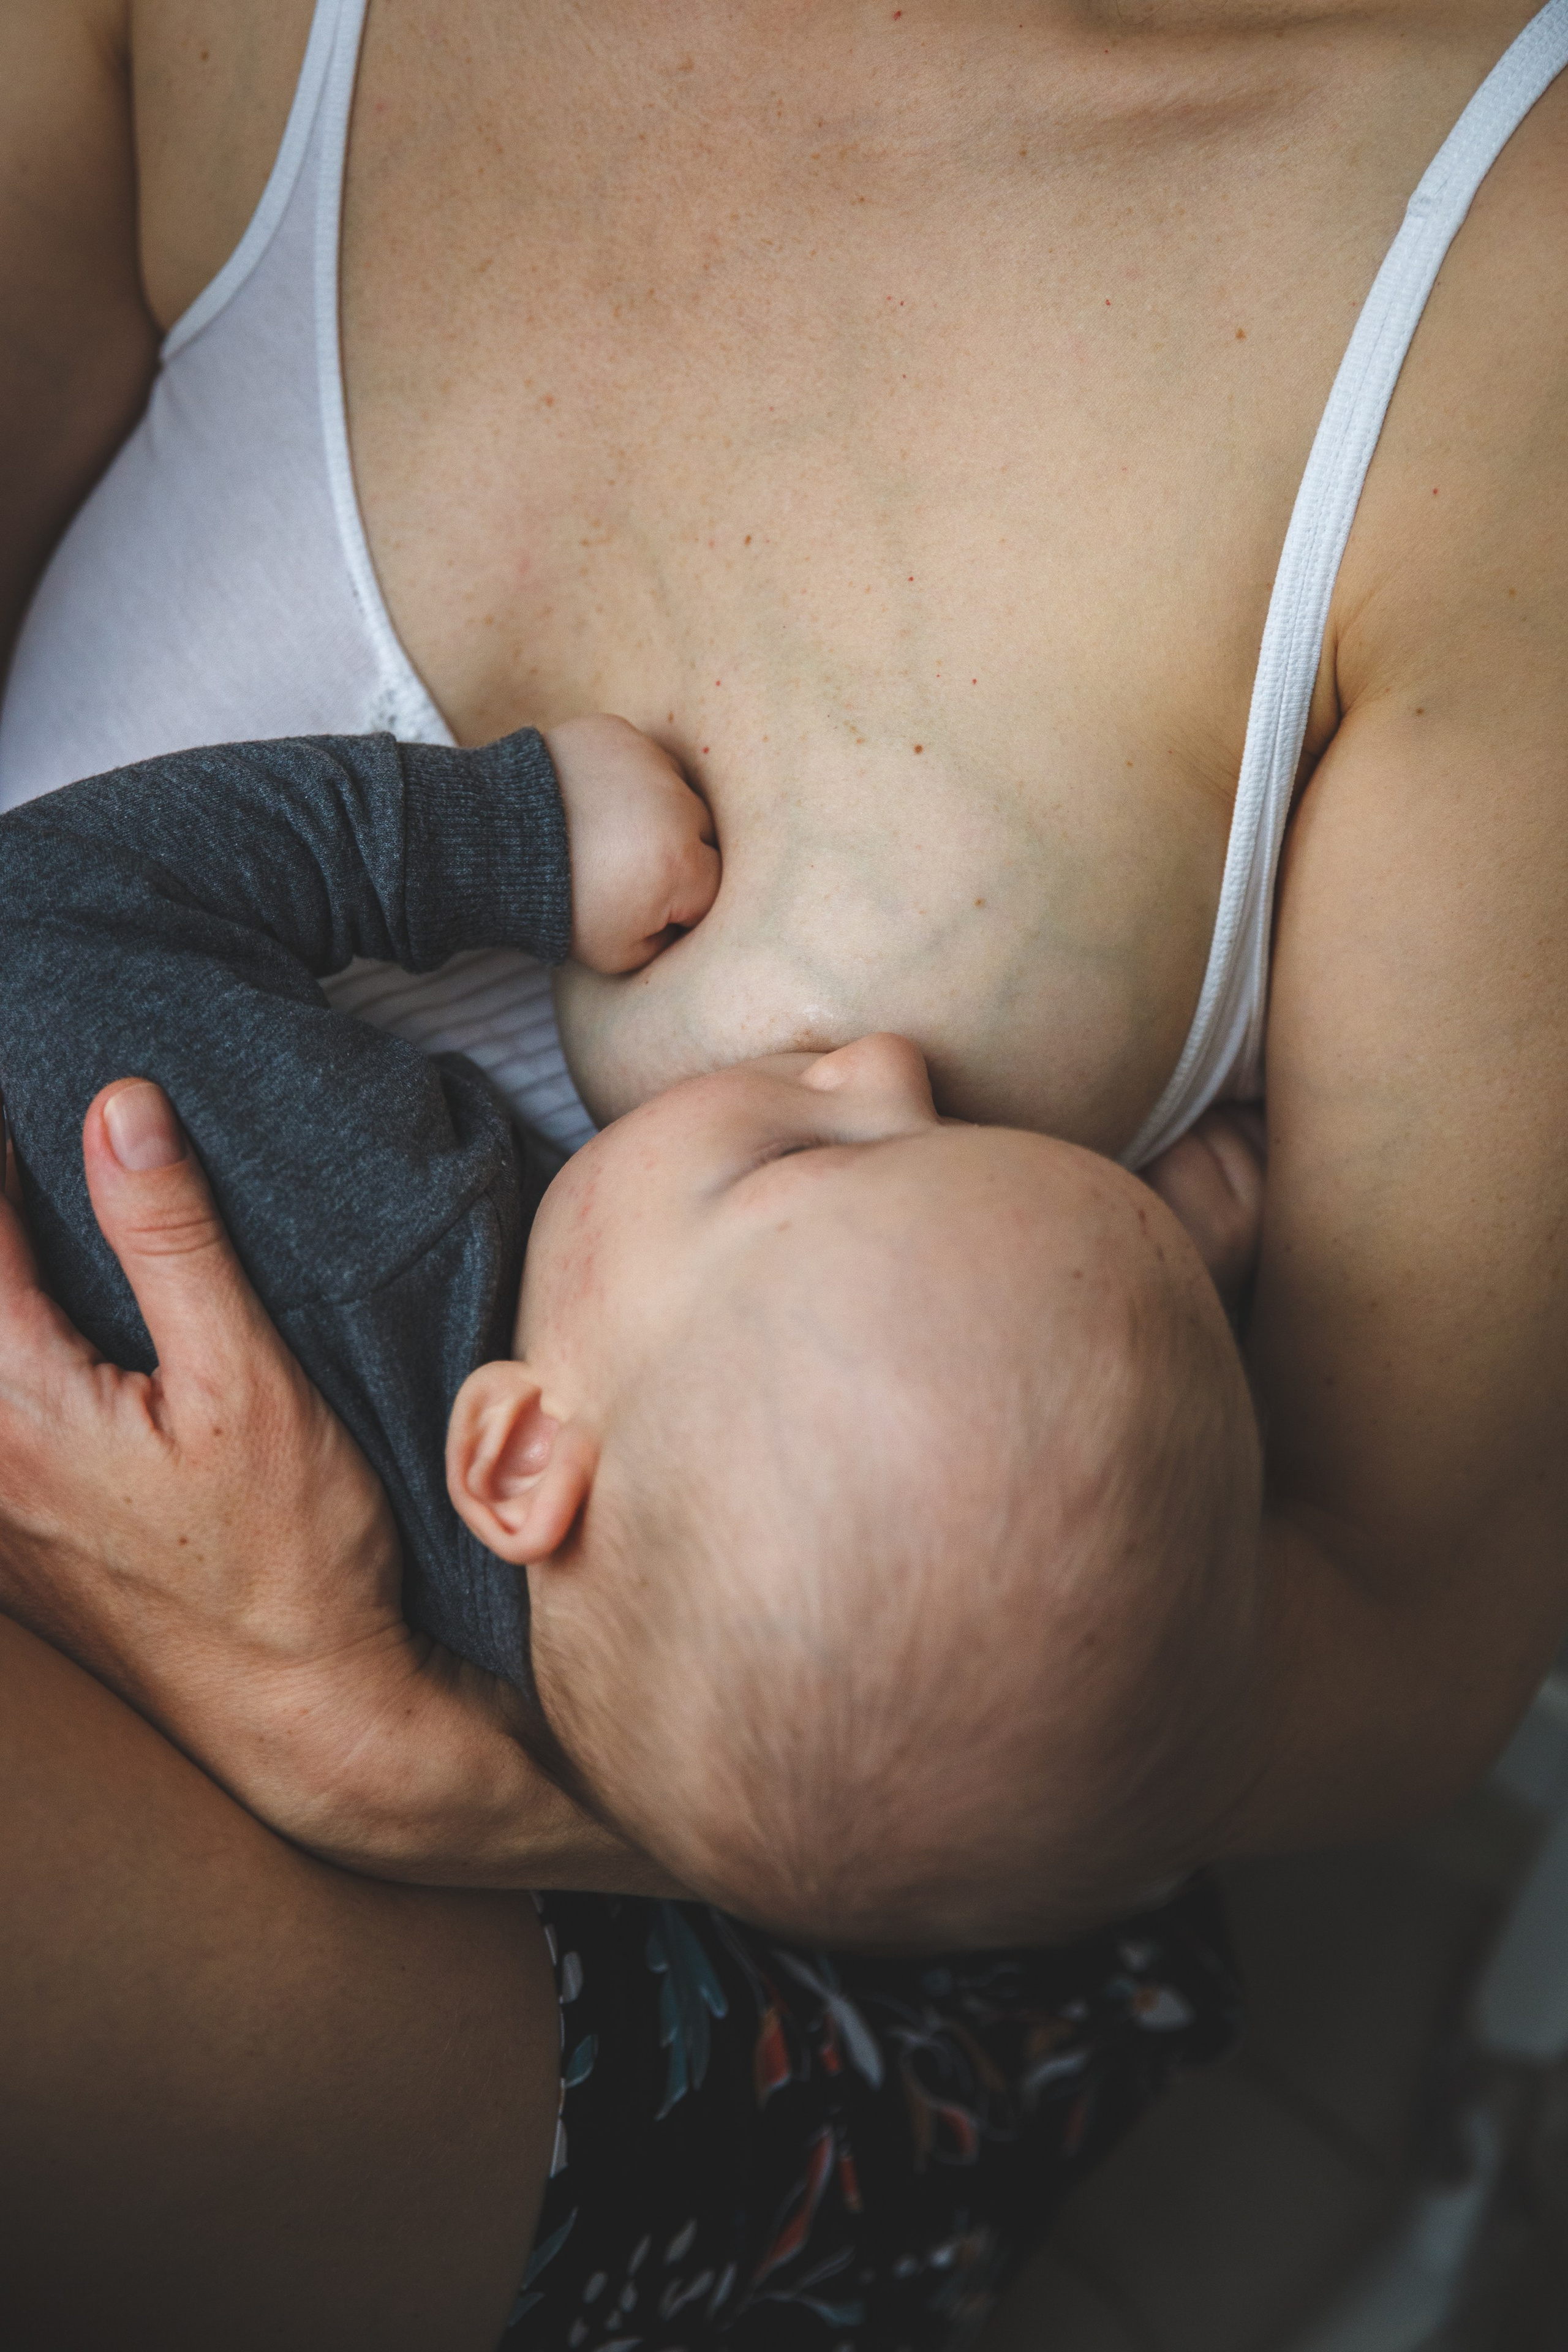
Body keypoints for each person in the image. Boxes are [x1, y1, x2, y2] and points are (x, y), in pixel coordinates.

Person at [1, 0, 1564, 2340]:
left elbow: (1408, 1634)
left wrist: (442, 1761)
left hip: (733, 1897)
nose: (870, 1075)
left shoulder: (1502, 331)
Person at [0, 714, 1261, 1948]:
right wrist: (1117, 1267)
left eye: (793, 1158)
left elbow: (37, 917)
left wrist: (506, 833)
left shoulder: (361, 1236)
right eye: (956, 1139)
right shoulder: (667, 1705)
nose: (882, 1064)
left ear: (519, 1455)